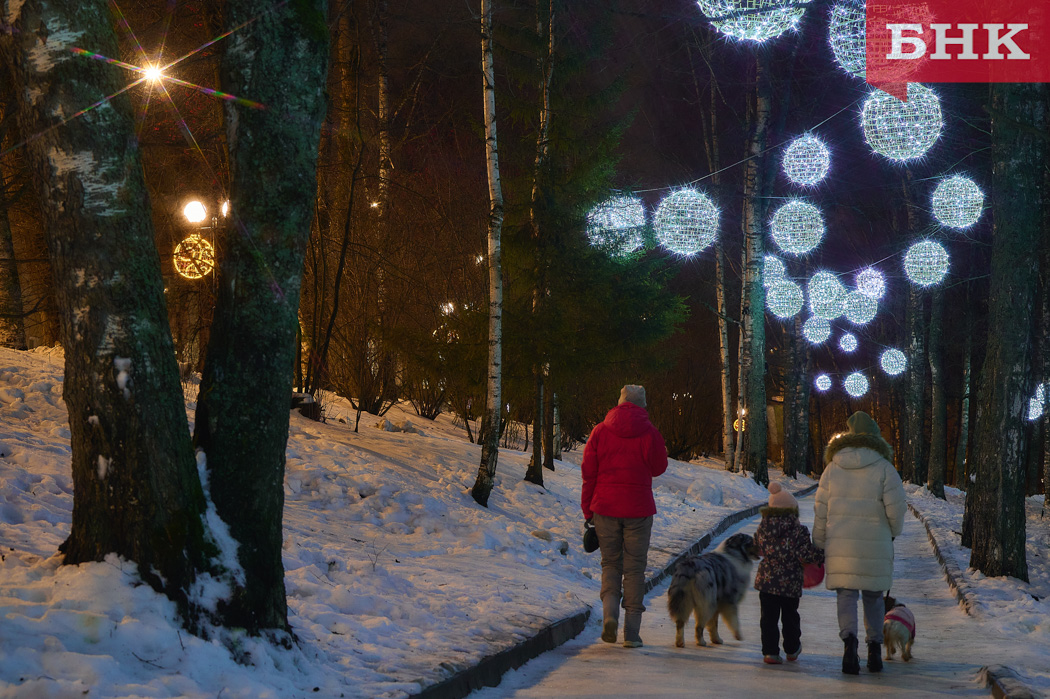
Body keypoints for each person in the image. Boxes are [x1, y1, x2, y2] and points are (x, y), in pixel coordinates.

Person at [813, 411, 906, 675]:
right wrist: (892, 531)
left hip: (841, 545)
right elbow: (896, 509)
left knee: (846, 595)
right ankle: (875, 649)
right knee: (874, 596)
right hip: (874, 543)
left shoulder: (832, 469)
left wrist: (819, 540)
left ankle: (849, 645)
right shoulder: (885, 468)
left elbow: (821, 509)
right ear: (875, 438)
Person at [581, 384, 668, 648]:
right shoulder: (650, 433)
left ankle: (609, 615)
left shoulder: (600, 431)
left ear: (619, 403)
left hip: (605, 508)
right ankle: (631, 633)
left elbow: (588, 474)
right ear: (642, 405)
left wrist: (588, 510)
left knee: (610, 564)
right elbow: (659, 467)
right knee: (634, 569)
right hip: (639, 510)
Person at [753, 482, 824, 665]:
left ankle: (770, 652)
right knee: (790, 617)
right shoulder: (799, 531)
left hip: (767, 582)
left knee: (768, 619)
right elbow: (804, 554)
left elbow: (756, 549)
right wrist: (820, 554)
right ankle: (792, 649)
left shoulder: (763, 529)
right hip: (790, 582)